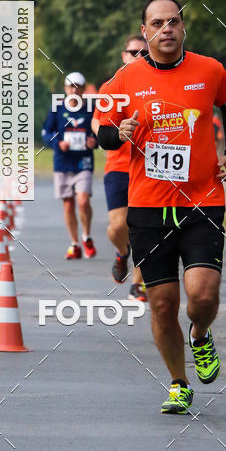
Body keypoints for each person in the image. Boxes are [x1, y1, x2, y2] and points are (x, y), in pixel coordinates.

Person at [97, 0, 226, 415]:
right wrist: (118, 132)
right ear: (144, 32)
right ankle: (179, 383)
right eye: (157, 23)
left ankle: (200, 333)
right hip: (147, 207)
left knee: (202, 293)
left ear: (183, 28)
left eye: (174, 22)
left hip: (202, 200)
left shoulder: (210, 70)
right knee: (162, 303)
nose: (166, 29)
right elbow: (102, 133)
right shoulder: (124, 79)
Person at [93, 34, 148, 302]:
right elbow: (97, 122)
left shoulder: (158, 84)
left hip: (150, 169)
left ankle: (139, 284)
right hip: (118, 166)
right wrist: (109, 137)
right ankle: (122, 253)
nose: (139, 57)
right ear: (124, 56)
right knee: (117, 228)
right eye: (133, 52)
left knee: (143, 229)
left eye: (144, 53)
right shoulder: (111, 86)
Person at [41, 72, 98, 260]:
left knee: (83, 201)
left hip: (83, 161)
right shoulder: (57, 108)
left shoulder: (91, 108)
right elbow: (46, 132)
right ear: (65, 89)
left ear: (83, 89)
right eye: (70, 86)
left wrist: (94, 141)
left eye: (78, 86)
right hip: (63, 161)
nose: (73, 90)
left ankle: (86, 236)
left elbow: (101, 131)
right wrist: (58, 143)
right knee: (68, 205)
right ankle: (74, 244)